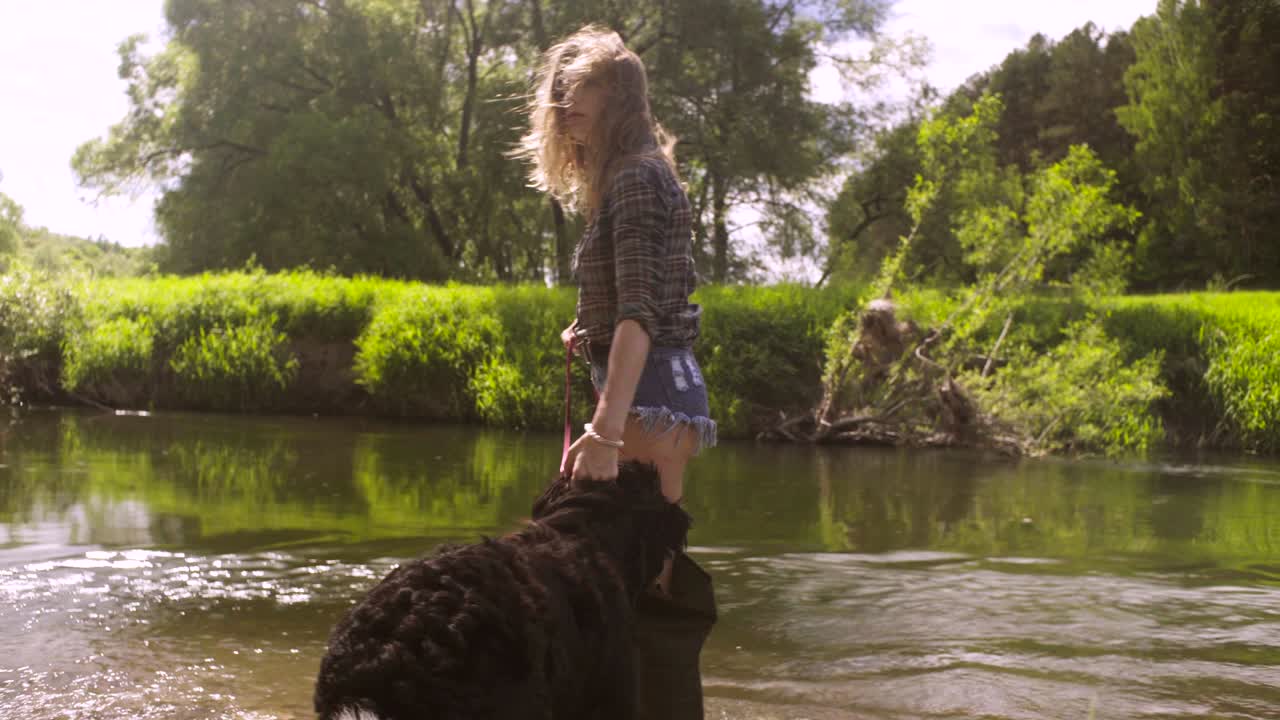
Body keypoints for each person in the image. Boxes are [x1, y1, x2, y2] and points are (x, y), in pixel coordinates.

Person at [512, 24, 717, 720]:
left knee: (626, 588)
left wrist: (603, 430)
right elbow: (644, 297)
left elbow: (640, 314)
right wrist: (590, 329)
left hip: (646, 397)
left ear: (620, 95)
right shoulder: (639, 173)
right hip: (661, 392)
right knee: (643, 579)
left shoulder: (632, 178)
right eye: (560, 90)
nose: (565, 101)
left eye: (583, 88)